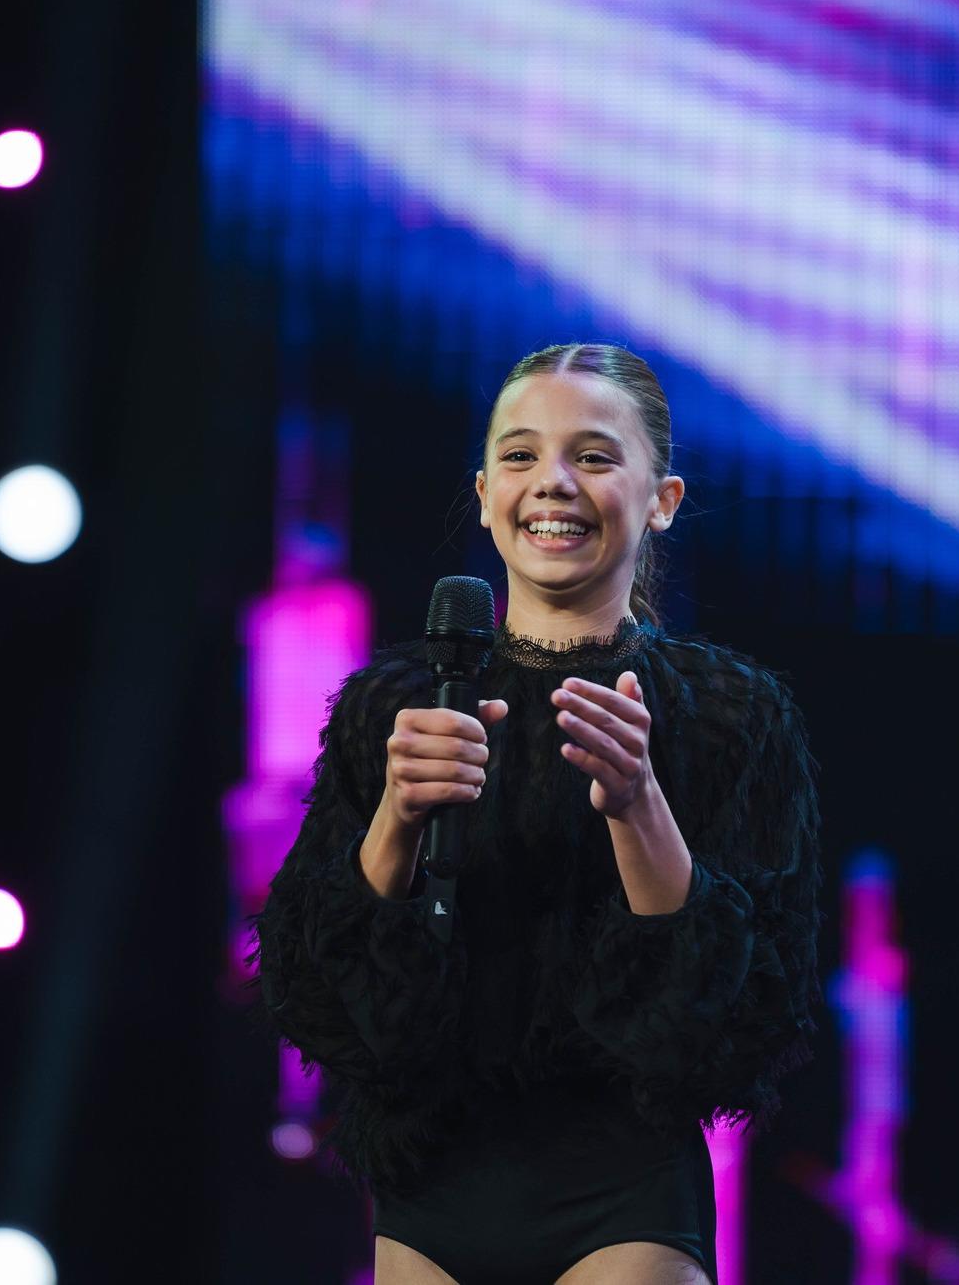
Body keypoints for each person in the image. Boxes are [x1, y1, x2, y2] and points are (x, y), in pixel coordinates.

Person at [248, 342, 824, 1284]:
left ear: (661, 499)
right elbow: (316, 991)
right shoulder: (391, 705)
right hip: (428, 1184)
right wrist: (395, 816)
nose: (551, 483)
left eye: (592, 457)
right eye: (520, 456)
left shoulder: (729, 713)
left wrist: (640, 807)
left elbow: (741, 1024)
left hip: (622, 1188)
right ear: (482, 493)